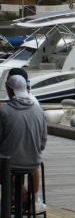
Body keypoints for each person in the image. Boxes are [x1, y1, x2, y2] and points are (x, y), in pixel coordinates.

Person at [1, 75, 47, 211]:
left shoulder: (4, 112)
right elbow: (43, 143)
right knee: (14, 169)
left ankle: (21, 197)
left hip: (8, 163)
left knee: (6, 169)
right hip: (34, 162)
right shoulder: (40, 111)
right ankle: (24, 198)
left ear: (9, 90)